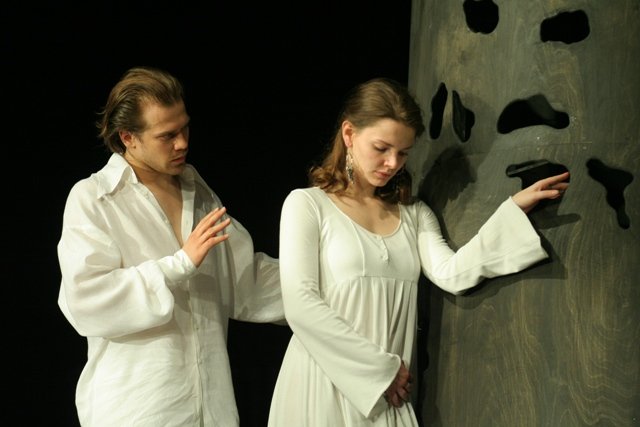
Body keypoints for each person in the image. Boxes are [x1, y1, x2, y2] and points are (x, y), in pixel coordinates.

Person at [267, 77, 570, 426]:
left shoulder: (413, 215)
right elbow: (300, 304)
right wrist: (380, 371)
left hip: (389, 392)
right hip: (323, 384)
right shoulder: (307, 205)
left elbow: (453, 273)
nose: (393, 163)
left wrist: (513, 210)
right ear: (349, 134)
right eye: (381, 148)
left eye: (403, 152)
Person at [57, 66, 284, 426]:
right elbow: (86, 300)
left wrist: (327, 282)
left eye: (184, 128)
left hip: (211, 409)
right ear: (128, 137)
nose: (182, 143)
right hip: (139, 410)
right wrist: (178, 265)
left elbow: (248, 281)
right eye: (167, 135)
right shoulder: (95, 198)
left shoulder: (200, 195)